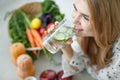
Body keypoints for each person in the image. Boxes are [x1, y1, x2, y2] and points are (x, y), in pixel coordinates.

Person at [60, 0, 120, 80]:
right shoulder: (85, 33)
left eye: (85, 17)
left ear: (106, 23)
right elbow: (81, 65)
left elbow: (102, 76)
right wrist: (65, 47)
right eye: (75, 8)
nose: (74, 21)